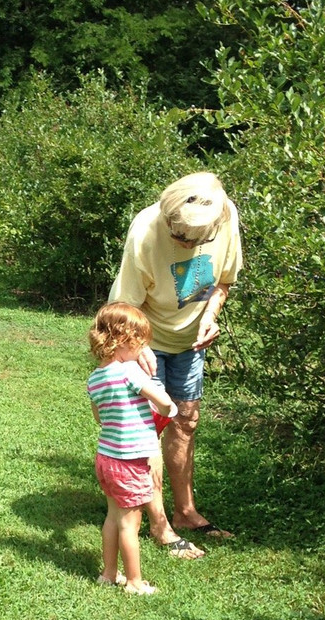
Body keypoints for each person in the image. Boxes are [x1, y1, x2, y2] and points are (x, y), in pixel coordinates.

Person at [109, 172, 243, 559]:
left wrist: (211, 315)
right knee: (147, 432)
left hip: (190, 343)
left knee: (186, 421)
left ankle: (185, 512)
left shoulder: (225, 216)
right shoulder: (146, 231)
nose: (183, 243)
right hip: (143, 340)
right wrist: (138, 348)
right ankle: (160, 525)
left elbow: (223, 283)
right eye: (178, 236)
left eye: (191, 240)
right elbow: (123, 310)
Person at [87, 302, 178, 596]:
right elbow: (162, 401)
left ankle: (109, 573)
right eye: (140, 344)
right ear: (123, 341)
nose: (142, 351)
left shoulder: (95, 378)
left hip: (107, 459)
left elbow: (99, 417)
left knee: (113, 516)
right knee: (130, 523)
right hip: (130, 462)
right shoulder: (129, 371)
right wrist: (169, 406)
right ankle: (135, 582)